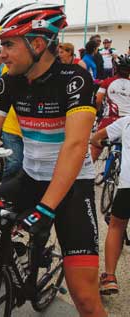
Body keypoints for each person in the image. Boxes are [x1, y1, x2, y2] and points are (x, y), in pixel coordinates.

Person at [0, 3, 106, 316]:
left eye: (9, 44)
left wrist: (47, 209)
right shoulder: (8, 80)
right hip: (30, 178)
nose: (0, 53)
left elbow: (76, 146)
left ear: (37, 44)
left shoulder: (74, 80)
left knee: (86, 300)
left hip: (72, 187)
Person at [90, 117, 130, 296]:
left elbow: (95, 138)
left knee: (116, 227)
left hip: (128, 187)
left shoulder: (127, 122)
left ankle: (109, 277)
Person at [91, 54, 130, 161]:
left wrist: (97, 113)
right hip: (127, 122)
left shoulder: (107, 82)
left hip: (110, 120)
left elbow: (98, 100)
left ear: (116, 68)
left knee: (95, 147)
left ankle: (87, 173)